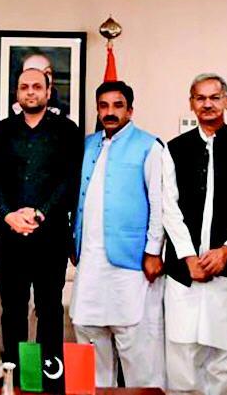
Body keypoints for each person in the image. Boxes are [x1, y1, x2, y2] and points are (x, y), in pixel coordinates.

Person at [0, 68, 82, 386]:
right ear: (17, 93)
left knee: (49, 308)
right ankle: (14, 378)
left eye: (37, 86)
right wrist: (8, 214)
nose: (30, 92)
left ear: (48, 91)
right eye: (24, 87)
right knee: (12, 309)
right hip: (10, 234)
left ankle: (47, 379)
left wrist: (41, 213)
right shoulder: (2, 130)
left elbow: (70, 180)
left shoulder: (67, 130)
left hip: (51, 234)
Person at [161, 74, 227, 395]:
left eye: (215, 97)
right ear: (192, 103)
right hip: (184, 270)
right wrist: (188, 256)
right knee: (181, 351)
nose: (208, 104)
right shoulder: (175, 148)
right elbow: (168, 206)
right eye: (200, 98)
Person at [69, 80, 165, 388]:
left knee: (136, 347)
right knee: (88, 335)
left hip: (131, 263)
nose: (110, 112)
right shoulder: (87, 145)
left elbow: (159, 203)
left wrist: (153, 251)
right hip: (90, 262)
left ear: (130, 110)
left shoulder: (149, 146)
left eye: (118, 105)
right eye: (104, 106)